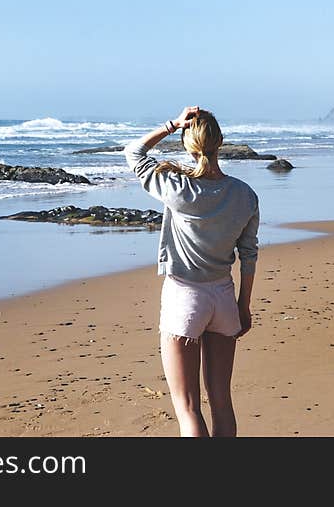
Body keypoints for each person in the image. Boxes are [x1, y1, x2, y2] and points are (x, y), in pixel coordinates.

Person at [124, 106, 259, 437]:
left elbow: (133, 152)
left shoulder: (177, 187)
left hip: (185, 297)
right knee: (222, 404)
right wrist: (243, 305)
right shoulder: (245, 195)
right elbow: (249, 254)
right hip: (224, 299)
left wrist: (172, 124)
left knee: (188, 410)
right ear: (221, 141)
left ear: (188, 145)